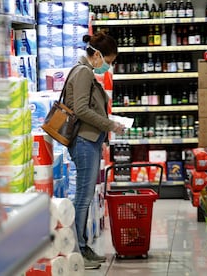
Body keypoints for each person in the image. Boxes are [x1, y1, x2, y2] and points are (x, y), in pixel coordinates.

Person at [64, 32, 124, 269]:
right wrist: (110, 124)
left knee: (85, 196)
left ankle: (83, 245)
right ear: (97, 55)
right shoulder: (83, 72)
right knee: (83, 197)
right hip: (83, 141)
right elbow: (80, 109)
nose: (108, 66)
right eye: (109, 61)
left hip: (89, 140)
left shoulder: (85, 72)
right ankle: (78, 249)